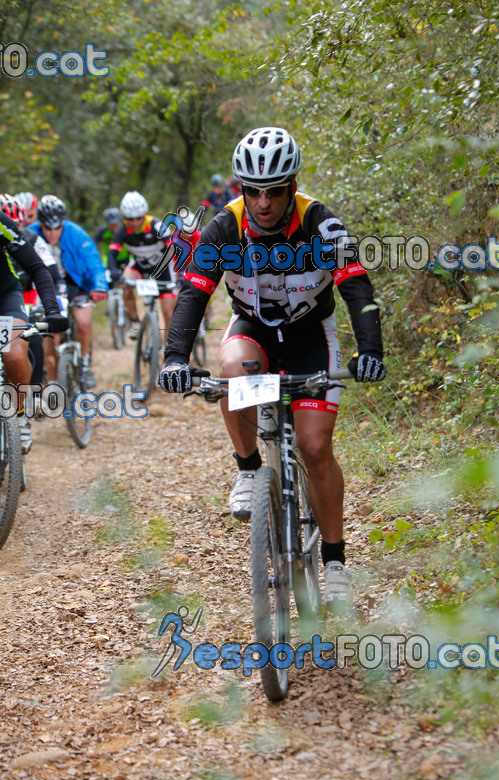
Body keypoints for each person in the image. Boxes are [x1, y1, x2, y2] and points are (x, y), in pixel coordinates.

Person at [159, 126, 387, 614]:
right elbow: (193, 295)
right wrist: (175, 358)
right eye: (252, 190)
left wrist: (372, 350)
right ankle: (247, 469)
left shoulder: (320, 224)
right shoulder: (224, 227)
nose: (263, 202)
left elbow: (357, 287)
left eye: (275, 190)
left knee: (314, 446)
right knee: (231, 369)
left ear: (293, 185)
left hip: (310, 333)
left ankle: (335, 562)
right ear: (241, 188)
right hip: (254, 329)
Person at [0, 208, 68, 452]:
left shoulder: (1, 222)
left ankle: (18, 417)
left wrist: (52, 310)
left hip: (4, 295)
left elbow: (38, 268)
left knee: (15, 355)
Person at [29, 195, 107, 387]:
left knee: (84, 321)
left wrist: (99, 286)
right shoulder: (31, 233)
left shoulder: (76, 233)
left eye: (57, 228)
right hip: (46, 285)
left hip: (75, 282)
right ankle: (54, 379)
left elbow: (93, 262)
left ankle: (84, 361)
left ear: (63, 223)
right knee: (50, 332)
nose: (53, 233)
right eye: (47, 228)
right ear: (40, 224)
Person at [108, 191, 175, 341]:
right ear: (124, 218)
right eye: (130, 219)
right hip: (139, 265)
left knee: (168, 313)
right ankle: (134, 321)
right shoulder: (123, 230)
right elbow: (112, 253)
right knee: (125, 283)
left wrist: (181, 272)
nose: (135, 222)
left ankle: (168, 352)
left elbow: (173, 248)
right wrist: (114, 271)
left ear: (144, 214)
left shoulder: (156, 225)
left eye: (138, 218)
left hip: (162, 268)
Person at [94, 207, 129, 271]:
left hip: (125, 260)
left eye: (115, 223)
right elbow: (93, 245)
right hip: (108, 260)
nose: (113, 226)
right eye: (111, 224)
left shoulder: (124, 231)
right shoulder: (102, 232)